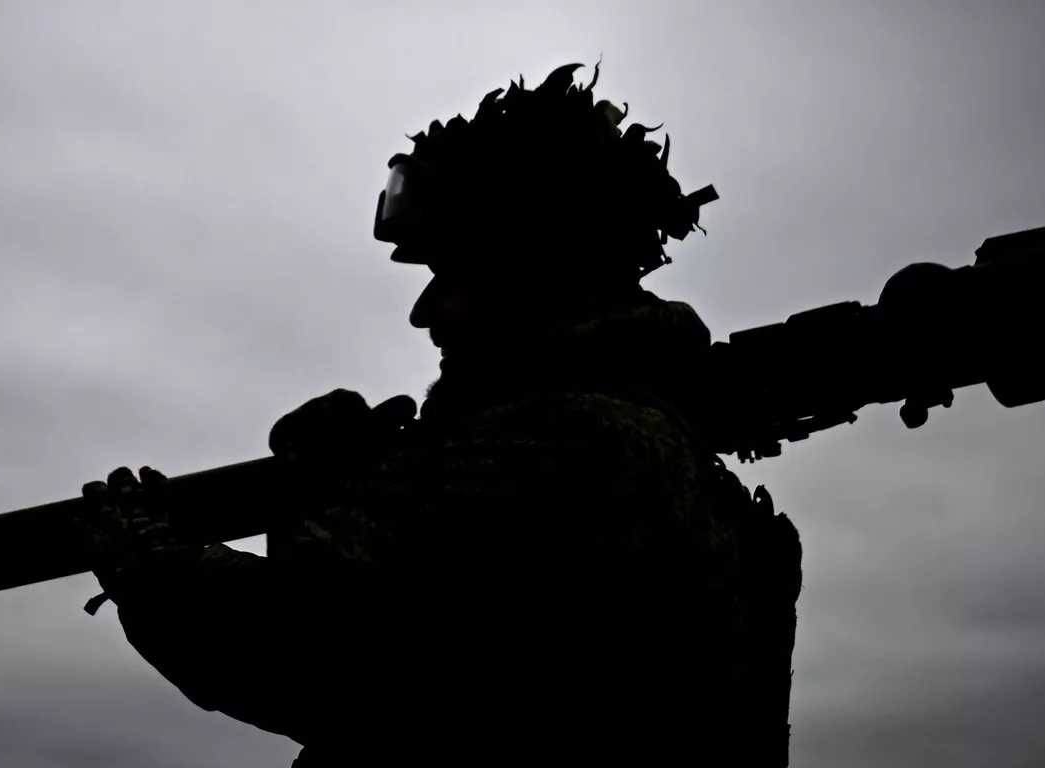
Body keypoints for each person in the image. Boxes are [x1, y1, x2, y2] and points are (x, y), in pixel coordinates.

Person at [75, 63, 803, 767]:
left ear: (533, 268)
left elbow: (321, 652)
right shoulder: (602, 439)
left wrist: (145, 559)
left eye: (451, 277)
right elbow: (447, 659)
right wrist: (344, 492)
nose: (425, 312)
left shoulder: (582, 445)